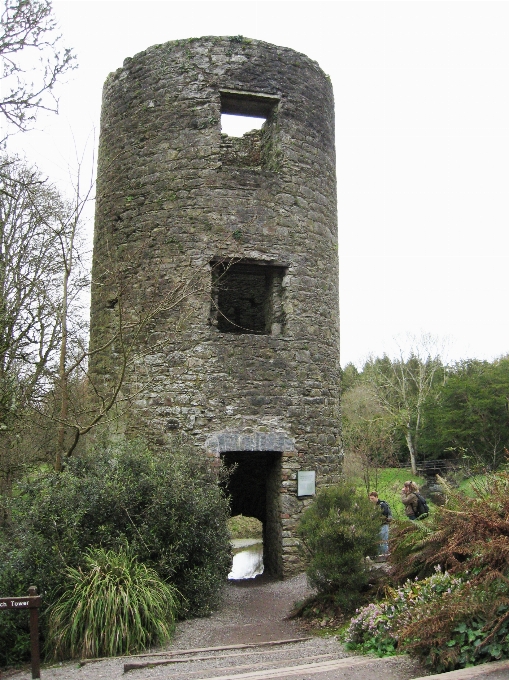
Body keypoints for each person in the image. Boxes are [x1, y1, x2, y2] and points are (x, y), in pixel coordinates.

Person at [369, 491, 392, 555]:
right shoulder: (374, 506)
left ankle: (385, 555)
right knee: (378, 542)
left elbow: (385, 514)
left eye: (372, 498)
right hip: (377, 525)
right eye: (370, 499)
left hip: (384, 524)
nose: (371, 500)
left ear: (376, 497)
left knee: (383, 541)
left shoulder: (382, 504)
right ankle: (379, 555)